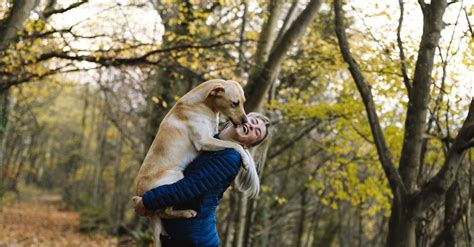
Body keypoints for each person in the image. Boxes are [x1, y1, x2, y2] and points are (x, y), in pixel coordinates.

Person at [132, 112, 271, 247]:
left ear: (247, 146)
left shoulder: (230, 158)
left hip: (194, 240)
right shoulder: (208, 141)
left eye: (257, 131)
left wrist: (147, 201)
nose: (253, 126)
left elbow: (189, 187)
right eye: (253, 121)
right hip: (176, 236)